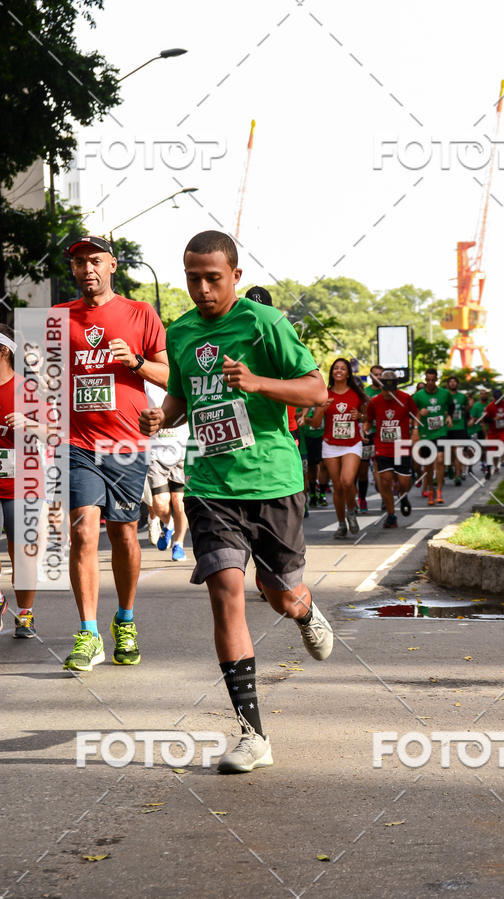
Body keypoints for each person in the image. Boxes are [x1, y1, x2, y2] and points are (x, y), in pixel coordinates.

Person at [140, 230, 331, 774]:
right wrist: (164, 416)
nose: (201, 288)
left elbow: (316, 390)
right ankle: (252, 735)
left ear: (236, 276)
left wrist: (257, 382)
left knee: (280, 597)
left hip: (271, 481)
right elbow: (181, 397)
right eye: (192, 277)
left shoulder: (264, 324)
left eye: (212, 278)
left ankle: (306, 610)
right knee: (226, 591)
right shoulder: (179, 332)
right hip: (208, 484)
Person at [55, 235, 168, 672]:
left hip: (125, 441)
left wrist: (135, 362)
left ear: (113, 265)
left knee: (123, 533)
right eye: (80, 262)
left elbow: (168, 376)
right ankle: (87, 633)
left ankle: (124, 621)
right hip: (77, 442)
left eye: (95, 261)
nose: (88, 269)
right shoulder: (56, 317)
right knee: (83, 532)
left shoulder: (141, 313)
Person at [0, 325, 44, 637]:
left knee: (23, 554)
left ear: (4, 351)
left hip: (23, 483)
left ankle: (25, 614)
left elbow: (56, 433)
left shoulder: (26, 390)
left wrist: (29, 422)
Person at [309, 358, 367, 538]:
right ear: (332, 372)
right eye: (336, 368)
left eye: (343, 368)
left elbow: (366, 418)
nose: (339, 371)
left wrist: (360, 416)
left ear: (348, 373)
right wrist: (321, 408)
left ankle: (351, 511)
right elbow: (316, 424)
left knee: (347, 481)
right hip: (331, 444)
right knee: (338, 487)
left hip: (352, 444)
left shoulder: (356, 394)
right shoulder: (325, 394)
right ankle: (341, 524)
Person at [365, 370, 418, 527]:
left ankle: (403, 496)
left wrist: (415, 430)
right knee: (386, 481)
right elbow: (369, 420)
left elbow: (415, 415)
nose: (388, 393)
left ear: (396, 388)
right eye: (385, 390)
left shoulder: (406, 398)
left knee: (404, 483)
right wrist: (364, 431)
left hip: (402, 446)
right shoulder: (374, 402)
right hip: (383, 446)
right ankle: (391, 514)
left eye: (391, 390)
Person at [144, 381, 189, 560]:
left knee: (179, 502)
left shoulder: (181, 374)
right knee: (160, 504)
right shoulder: (147, 381)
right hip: (156, 452)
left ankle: (178, 545)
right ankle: (168, 523)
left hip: (182, 451)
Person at [413, 369, 453, 505]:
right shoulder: (418, 396)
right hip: (425, 434)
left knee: (440, 459)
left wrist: (448, 416)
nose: (430, 382)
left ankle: (439, 491)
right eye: (428, 380)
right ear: (425, 379)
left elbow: (451, 406)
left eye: (433, 380)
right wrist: (419, 412)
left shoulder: (445, 394)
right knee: (428, 464)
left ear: (436, 380)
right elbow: (409, 412)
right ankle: (430, 490)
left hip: (440, 431)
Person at [358, 365, 384, 510]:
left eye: (380, 374)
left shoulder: (387, 393)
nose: (378, 377)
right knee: (363, 470)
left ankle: (384, 498)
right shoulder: (364, 393)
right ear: (371, 376)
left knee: (380, 469)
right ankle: (362, 498)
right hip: (367, 435)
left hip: (383, 436)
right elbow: (359, 414)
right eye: (375, 374)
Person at [446, 375, 469, 485]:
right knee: (449, 452)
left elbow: (467, 408)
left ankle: (457, 476)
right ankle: (449, 467)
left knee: (458, 451)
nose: (453, 384)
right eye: (450, 382)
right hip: (447, 428)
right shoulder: (445, 395)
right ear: (448, 384)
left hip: (459, 427)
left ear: (457, 384)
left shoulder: (462, 397)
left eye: (455, 382)